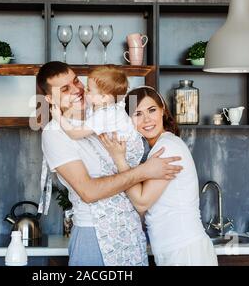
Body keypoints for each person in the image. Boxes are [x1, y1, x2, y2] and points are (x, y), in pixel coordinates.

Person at [37, 62, 183, 266]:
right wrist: (144, 171)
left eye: (76, 81)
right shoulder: (54, 133)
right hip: (94, 234)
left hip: (130, 231)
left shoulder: (104, 112)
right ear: (50, 99)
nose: (77, 90)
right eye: (65, 89)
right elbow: (88, 192)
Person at [100, 86, 218, 266]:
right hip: (175, 249)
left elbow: (141, 202)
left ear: (162, 110)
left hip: (185, 250)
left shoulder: (167, 147)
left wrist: (119, 159)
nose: (147, 119)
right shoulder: (160, 147)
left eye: (152, 110)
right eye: (137, 114)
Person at [51, 67, 144, 168]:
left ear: (104, 97)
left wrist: (59, 118)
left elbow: (75, 134)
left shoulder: (105, 114)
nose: (84, 91)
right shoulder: (101, 103)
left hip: (128, 155)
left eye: (89, 90)